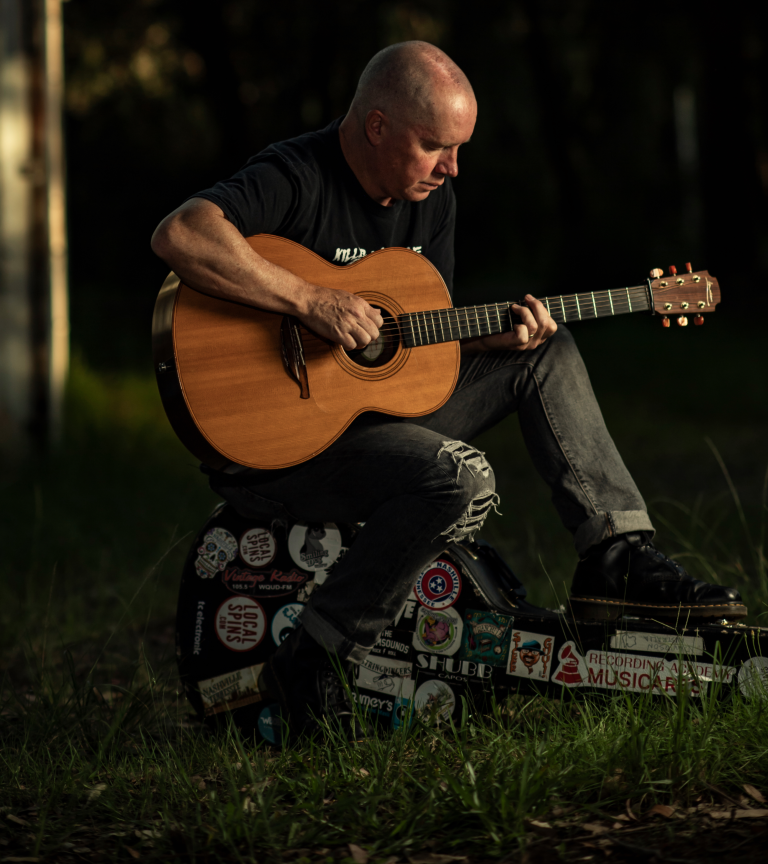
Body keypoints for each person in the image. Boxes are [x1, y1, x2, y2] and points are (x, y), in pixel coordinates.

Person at [152, 41, 744, 737]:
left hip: (367, 426)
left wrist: (482, 343)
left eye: (459, 149)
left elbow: (402, 348)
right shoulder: (297, 175)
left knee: (545, 348)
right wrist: (310, 300)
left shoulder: (432, 202)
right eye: (435, 146)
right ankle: (316, 661)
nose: (451, 167)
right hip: (275, 449)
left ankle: (615, 558)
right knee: (458, 478)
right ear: (377, 126)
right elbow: (181, 234)